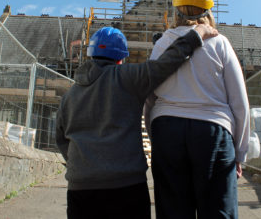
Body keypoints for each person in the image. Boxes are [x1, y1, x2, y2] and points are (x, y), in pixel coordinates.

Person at [56, 24, 218, 219]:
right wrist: (195, 35)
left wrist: (85, 166)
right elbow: (166, 63)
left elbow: (61, 139)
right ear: (121, 58)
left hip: (80, 191)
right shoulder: (128, 78)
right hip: (126, 188)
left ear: (90, 55)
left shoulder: (69, 96)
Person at [144, 0, 250, 219]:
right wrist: (239, 153)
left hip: (167, 129)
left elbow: (149, 97)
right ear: (208, 9)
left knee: (173, 212)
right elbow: (239, 103)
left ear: (176, 10)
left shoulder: (161, 45)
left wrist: (155, 135)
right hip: (212, 131)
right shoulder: (220, 43)